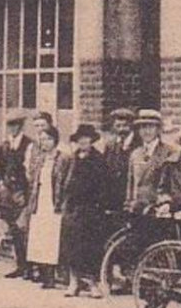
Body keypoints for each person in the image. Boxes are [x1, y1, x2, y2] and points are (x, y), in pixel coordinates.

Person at [59, 123, 110, 297]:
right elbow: (64, 181)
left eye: (86, 138)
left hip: (92, 209)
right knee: (72, 246)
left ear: (91, 140)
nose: (83, 142)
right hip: (74, 208)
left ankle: (92, 283)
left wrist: (99, 205)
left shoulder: (99, 159)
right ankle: (74, 282)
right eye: (80, 139)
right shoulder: (73, 158)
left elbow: (104, 186)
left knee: (91, 247)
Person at [0, 113, 36, 279]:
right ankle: (20, 265)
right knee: (13, 228)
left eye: (16, 125)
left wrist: (25, 191)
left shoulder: (29, 144)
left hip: (22, 191)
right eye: (10, 125)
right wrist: (0, 184)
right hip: (8, 192)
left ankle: (30, 267)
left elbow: (30, 170)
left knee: (24, 229)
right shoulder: (4, 146)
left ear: (21, 126)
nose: (12, 128)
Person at [24, 124, 67, 288]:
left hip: (53, 201)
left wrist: (61, 202)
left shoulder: (62, 158)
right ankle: (43, 271)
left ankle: (53, 275)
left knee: (52, 237)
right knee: (39, 236)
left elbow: (63, 182)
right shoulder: (40, 159)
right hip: (40, 200)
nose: (45, 143)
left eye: (48, 139)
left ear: (55, 140)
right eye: (42, 140)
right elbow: (34, 180)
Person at [125, 110, 171, 214]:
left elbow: (172, 184)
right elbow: (131, 183)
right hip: (137, 210)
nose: (147, 131)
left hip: (158, 209)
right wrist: (128, 204)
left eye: (151, 127)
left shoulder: (168, 152)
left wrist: (166, 203)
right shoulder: (135, 154)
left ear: (158, 130)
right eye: (143, 127)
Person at [101, 107, 139, 213]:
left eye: (125, 126)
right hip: (113, 196)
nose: (121, 129)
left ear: (131, 126)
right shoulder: (110, 145)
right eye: (118, 126)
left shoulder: (138, 144)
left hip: (131, 195)